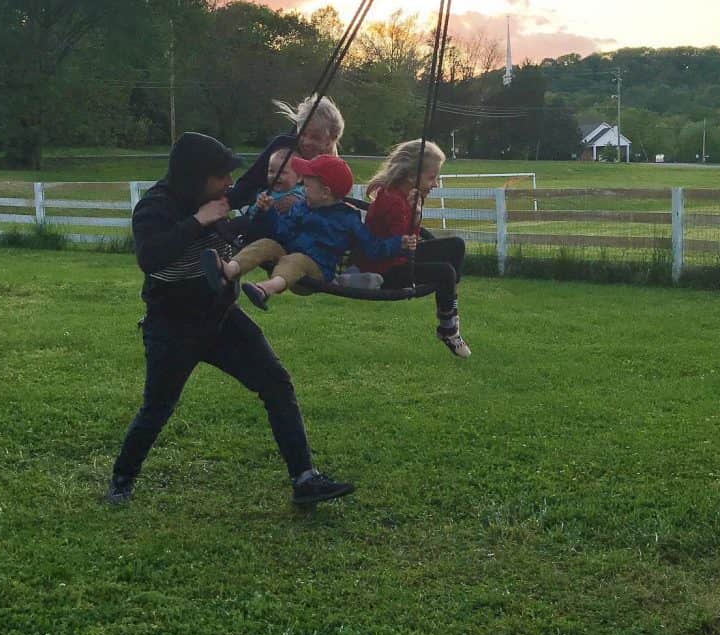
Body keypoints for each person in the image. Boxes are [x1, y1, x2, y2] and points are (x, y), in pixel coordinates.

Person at [105, 132, 354, 507]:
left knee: (276, 383)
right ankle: (121, 481)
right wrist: (198, 221)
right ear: (197, 176)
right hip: (173, 326)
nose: (229, 184)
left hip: (222, 317)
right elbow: (150, 257)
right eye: (221, 176)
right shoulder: (155, 207)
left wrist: (293, 141)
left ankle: (305, 479)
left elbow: (256, 179)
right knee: (158, 406)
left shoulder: (218, 198)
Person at [202, 154, 416, 304]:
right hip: (288, 256)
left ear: (325, 192)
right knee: (267, 244)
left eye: (307, 185)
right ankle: (230, 270)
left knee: (295, 260)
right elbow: (282, 232)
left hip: (315, 274)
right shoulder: (301, 207)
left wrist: (399, 243)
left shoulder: (348, 218)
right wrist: (268, 212)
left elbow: (373, 248)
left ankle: (266, 289)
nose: (303, 188)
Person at [355, 139, 471, 359]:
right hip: (386, 269)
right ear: (411, 176)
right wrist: (413, 212)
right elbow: (402, 241)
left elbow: (410, 238)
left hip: (399, 258)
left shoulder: (401, 197)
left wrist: (416, 213)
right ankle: (447, 327)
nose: (435, 184)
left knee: (456, 245)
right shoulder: (393, 201)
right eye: (432, 177)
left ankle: (449, 305)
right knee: (446, 271)